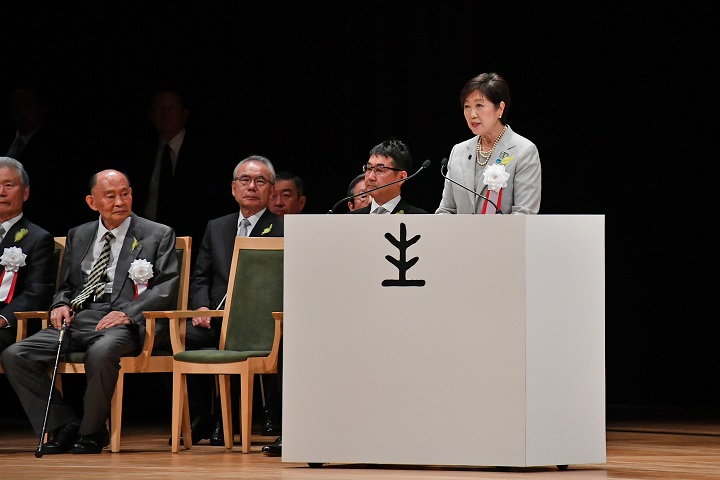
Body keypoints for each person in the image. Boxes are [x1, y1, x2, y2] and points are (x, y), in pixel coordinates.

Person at [0, 169, 179, 454]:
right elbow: (67, 286)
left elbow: (166, 287)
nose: (120, 201)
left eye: (125, 193)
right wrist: (59, 304)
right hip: (81, 318)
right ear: (92, 202)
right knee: (15, 355)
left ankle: (92, 431)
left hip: (124, 323)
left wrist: (129, 313)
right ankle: (65, 422)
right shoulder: (79, 234)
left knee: (101, 352)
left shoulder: (158, 234)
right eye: (110, 196)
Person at [185, 155, 284, 446]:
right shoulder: (217, 226)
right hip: (216, 318)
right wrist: (201, 306)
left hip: (262, 322)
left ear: (271, 190)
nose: (251, 186)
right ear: (233, 188)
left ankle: (245, 420)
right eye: (245, 180)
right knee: (176, 338)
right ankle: (203, 415)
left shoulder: (284, 229)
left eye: (260, 181)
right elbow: (201, 276)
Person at [124, 86, 224, 267]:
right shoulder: (140, 153)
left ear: (185, 114)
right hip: (144, 242)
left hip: (191, 243)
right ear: (151, 114)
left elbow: (211, 203)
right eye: (160, 108)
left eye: (172, 108)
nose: (165, 113)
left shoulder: (205, 155)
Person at [436, 72, 541, 215]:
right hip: (461, 237)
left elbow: (524, 214)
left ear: (500, 109)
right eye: (467, 106)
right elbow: (446, 210)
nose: (472, 114)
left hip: (503, 237)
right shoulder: (459, 151)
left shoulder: (524, 151)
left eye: (479, 105)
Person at [0, 158, 56, 418]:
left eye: (8, 185)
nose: (1, 192)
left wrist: (2, 318)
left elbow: (36, 292)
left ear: (26, 191)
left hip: (13, 325)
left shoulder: (37, 237)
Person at [349, 138, 427, 215]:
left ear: (401, 178)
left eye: (379, 170)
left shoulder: (418, 217)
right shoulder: (350, 219)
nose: (370, 177)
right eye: (369, 168)